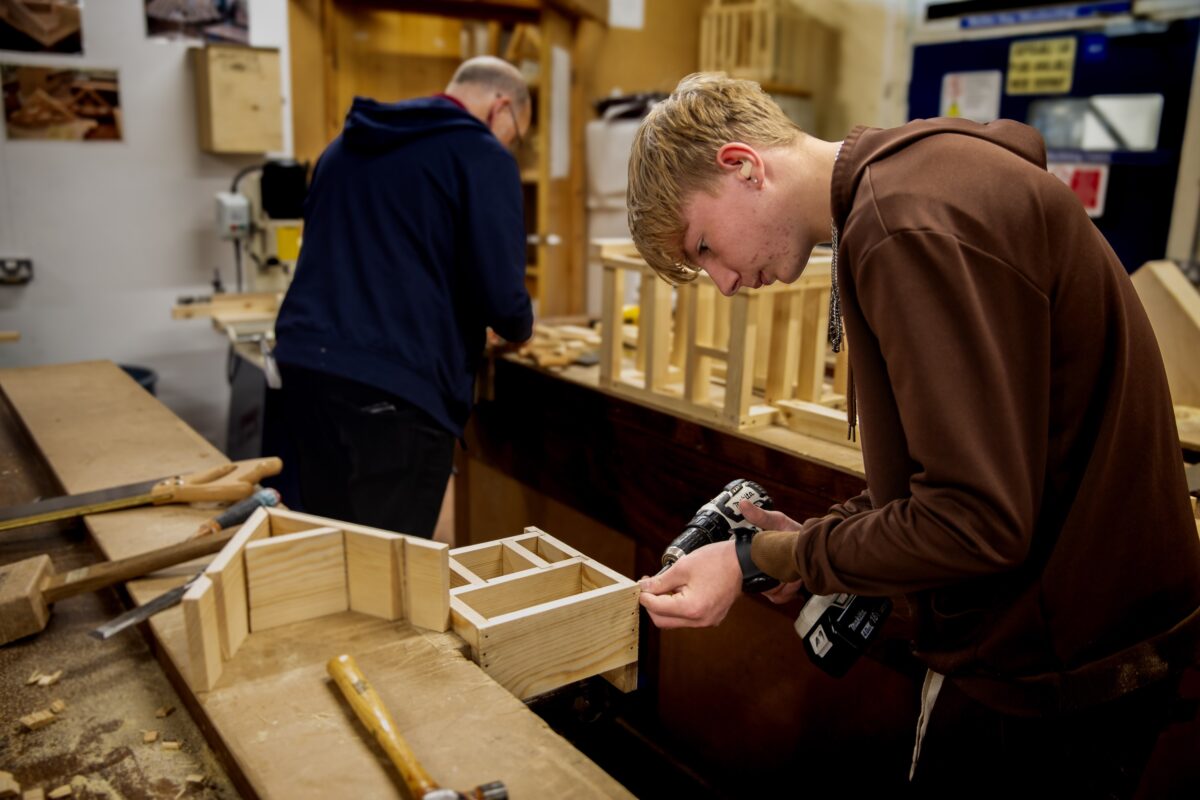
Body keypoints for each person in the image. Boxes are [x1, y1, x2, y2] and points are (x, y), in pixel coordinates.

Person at [628, 73, 1200, 796]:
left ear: (743, 165)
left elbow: (976, 522)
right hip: (1070, 631)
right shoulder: (910, 191)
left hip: (1059, 666)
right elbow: (972, 464)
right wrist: (822, 543)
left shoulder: (903, 225)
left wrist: (752, 556)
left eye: (705, 246)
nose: (725, 283)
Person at [272, 56, 534, 538]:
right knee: (386, 567)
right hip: (396, 387)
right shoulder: (480, 155)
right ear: (501, 108)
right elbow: (503, 297)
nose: (508, 146)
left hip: (306, 368)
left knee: (328, 545)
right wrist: (518, 326)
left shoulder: (344, 145)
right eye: (515, 135)